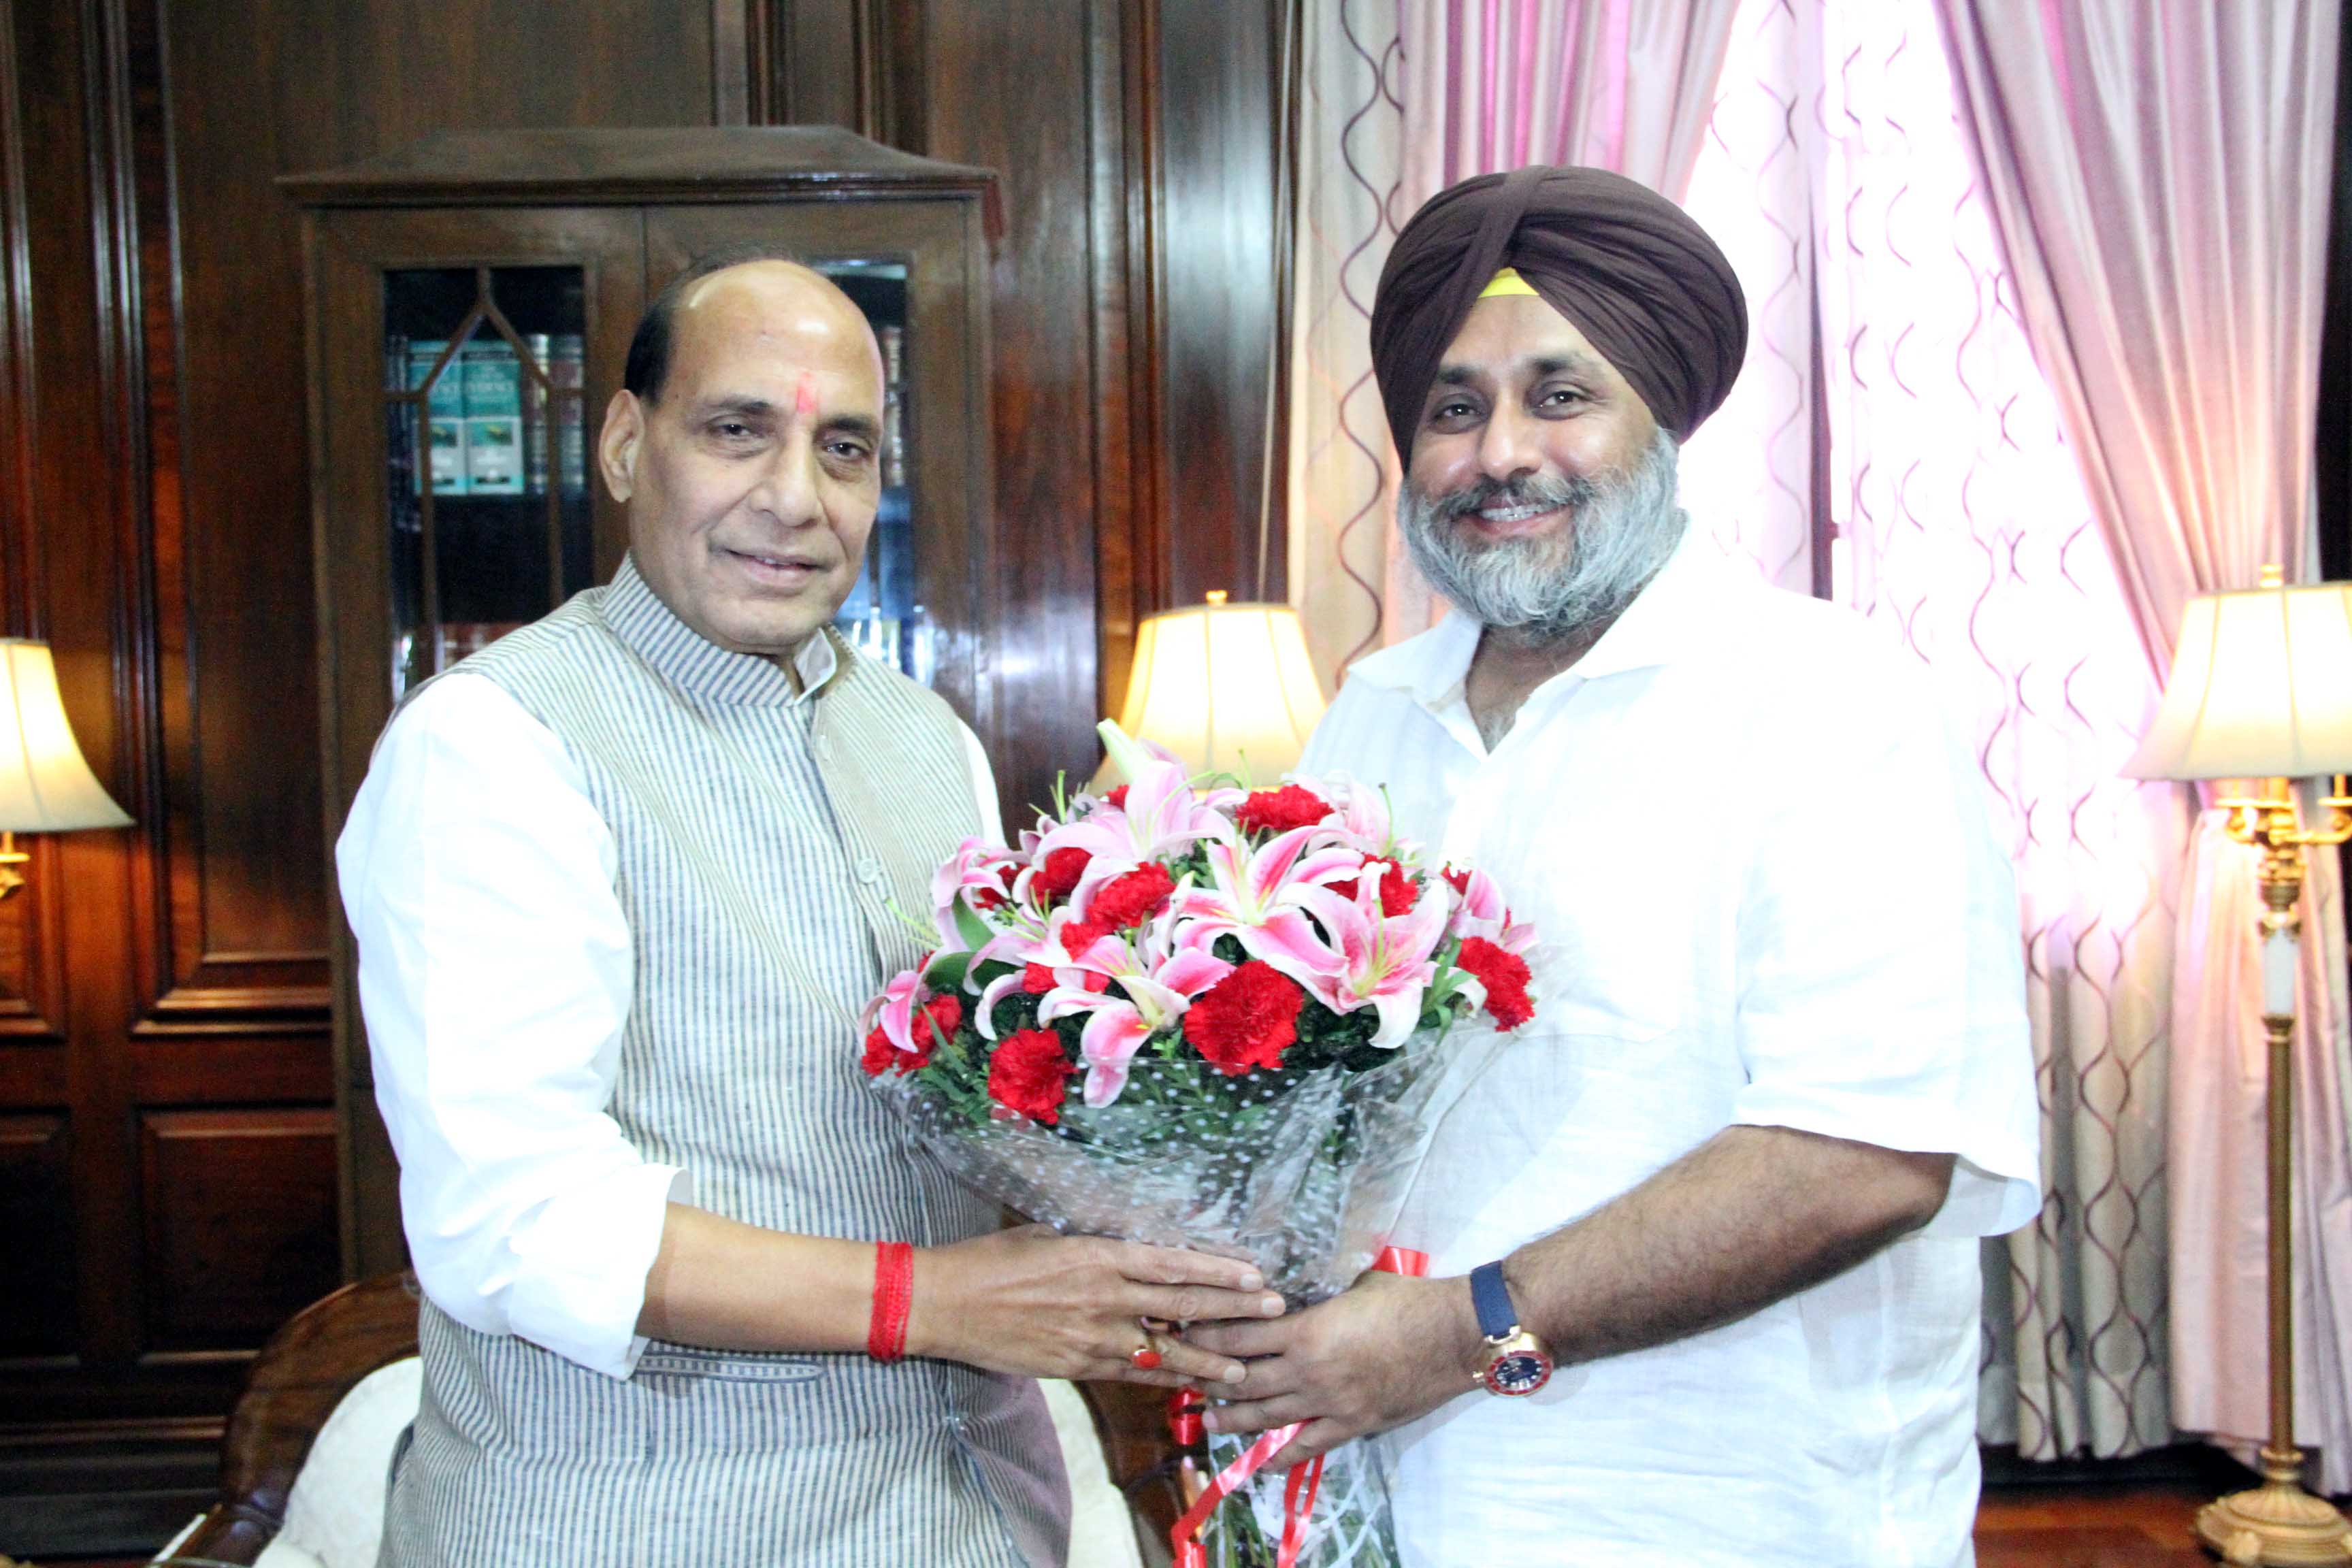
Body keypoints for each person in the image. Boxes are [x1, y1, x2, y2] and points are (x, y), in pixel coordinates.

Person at [337, 250, 1281, 1568]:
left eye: (845, 448)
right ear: (624, 444)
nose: (795, 498)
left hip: (970, 1515)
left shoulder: (929, 742)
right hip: (636, 1530)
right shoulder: (494, 746)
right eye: (737, 432)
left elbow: (977, 1123)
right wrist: (937, 1300)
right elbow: (517, 1224)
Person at [1192, 166, 2041, 1568]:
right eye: (1454, 407)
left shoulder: (1828, 701)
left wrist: (1457, 1335)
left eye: (1560, 394)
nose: (1499, 452)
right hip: (1401, 1500)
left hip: (1737, 1515)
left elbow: (1865, 1158)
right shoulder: (1374, 711)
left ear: (1664, 421)